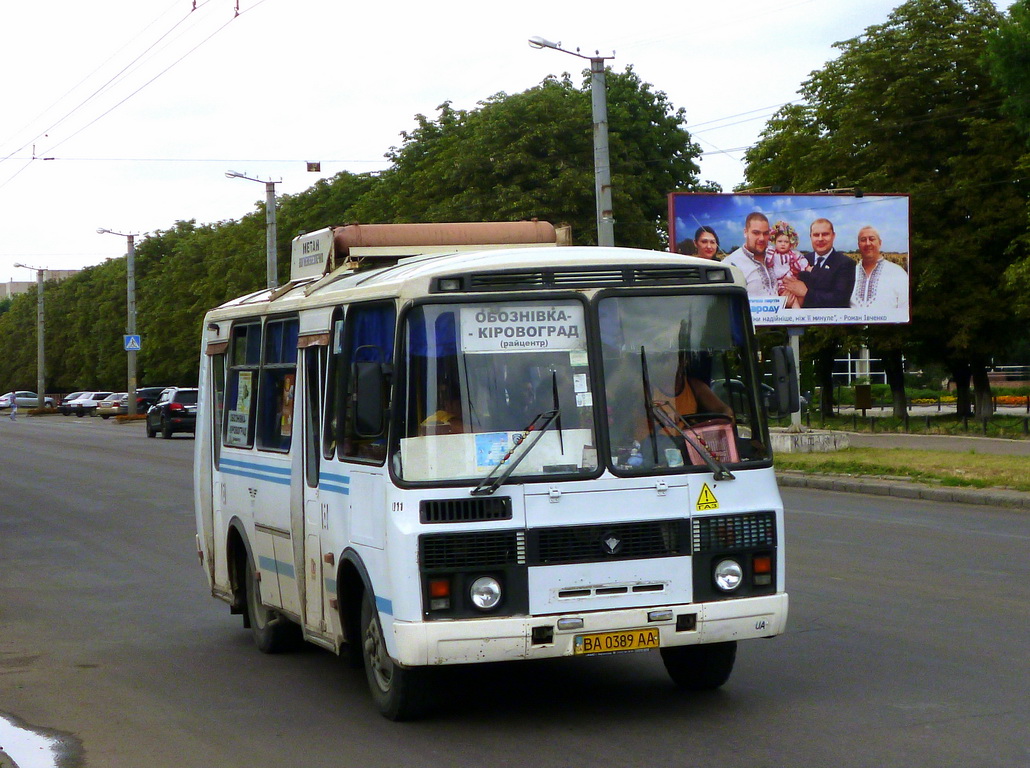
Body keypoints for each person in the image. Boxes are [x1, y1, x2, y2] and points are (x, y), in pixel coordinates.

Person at [781, 218, 856, 309]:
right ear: (811, 237)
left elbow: (840, 300)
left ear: (833, 236)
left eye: (825, 234)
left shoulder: (846, 263)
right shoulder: (802, 260)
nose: (820, 239)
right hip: (804, 321)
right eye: (816, 235)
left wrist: (806, 293)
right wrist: (787, 301)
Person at [850, 226, 909, 311]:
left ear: (880, 243)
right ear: (858, 245)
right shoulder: (849, 273)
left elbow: (904, 310)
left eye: (872, 239)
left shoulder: (898, 272)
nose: (867, 243)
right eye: (863, 240)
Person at [723, 212, 777, 297]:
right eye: (756, 233)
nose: (762, 238)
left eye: (765, 233)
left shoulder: (775, 256)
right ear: (745, 232)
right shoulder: (731, 264)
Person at [765, 220, 809, 306]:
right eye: (780, 241)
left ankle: (797, 314)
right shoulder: (772, 253)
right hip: (779, 283)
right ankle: (795, 314)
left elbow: (802, 262)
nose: (783, 244)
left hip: (791, 281)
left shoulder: (793, 254)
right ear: (775, 242)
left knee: (797, 297)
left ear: (790, 243)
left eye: (786, 242)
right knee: (790, 299)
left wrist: (809, 268)